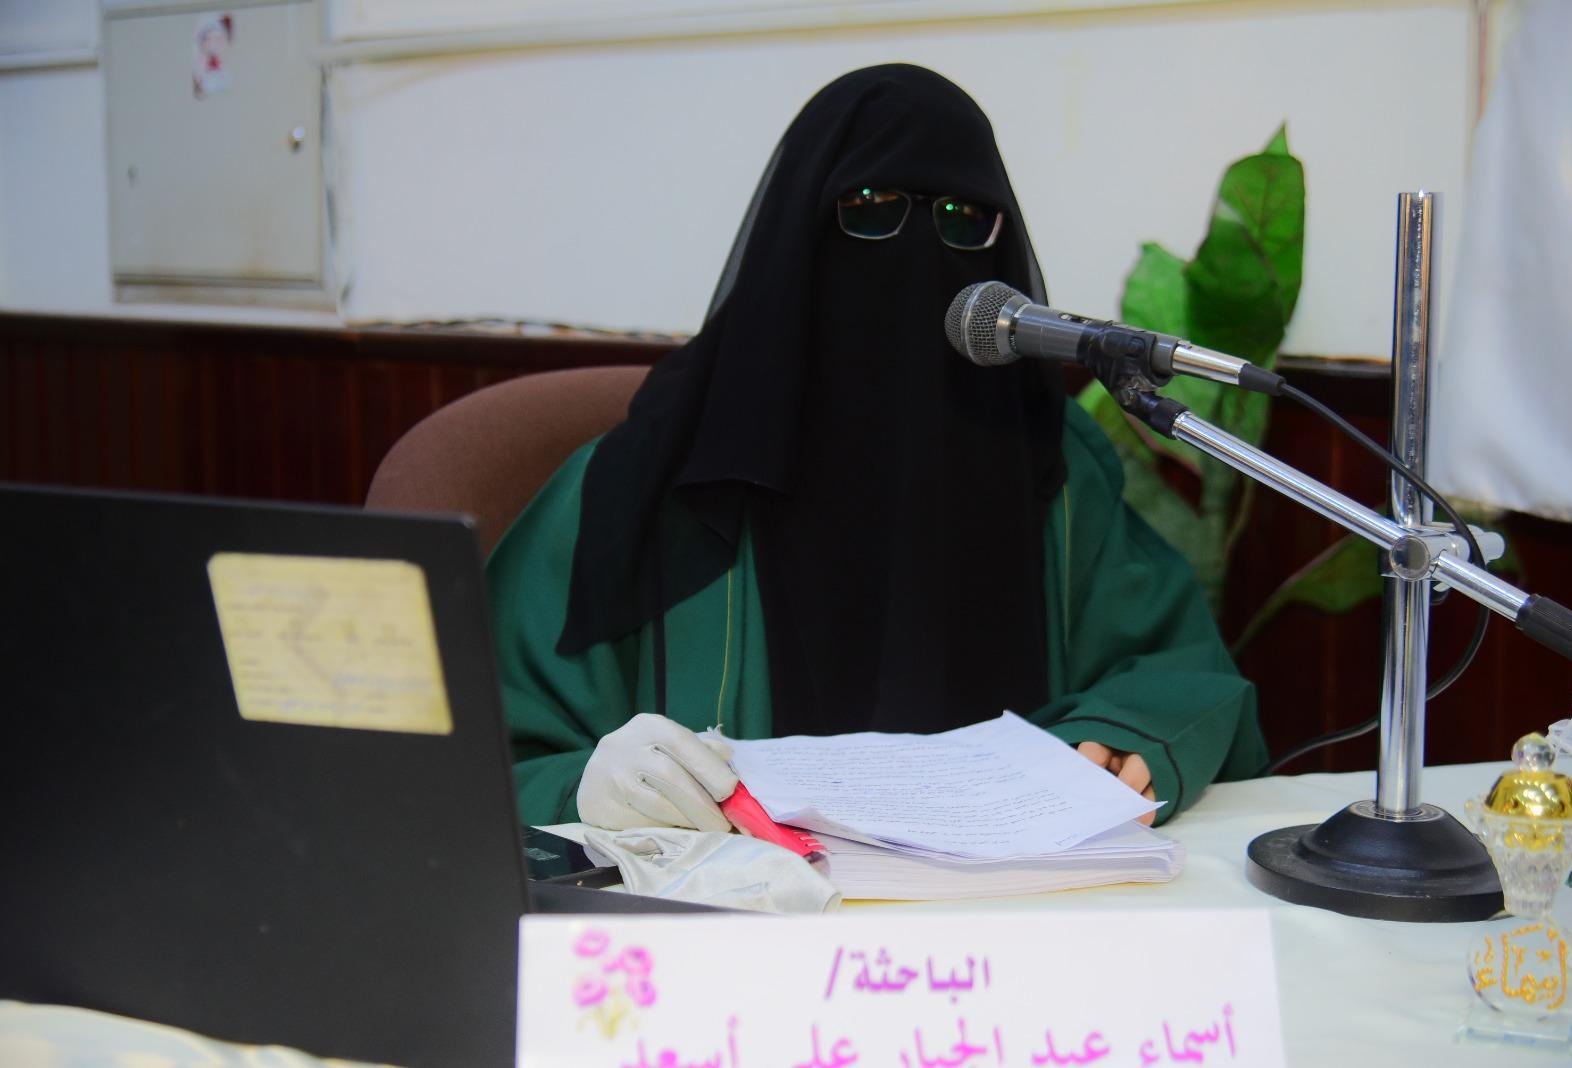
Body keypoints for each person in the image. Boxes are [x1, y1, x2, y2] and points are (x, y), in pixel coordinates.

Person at [487, 64, 1266, 835]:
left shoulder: (1049, 469)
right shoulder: (656, 477)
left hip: (1021, 896)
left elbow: (1179, 674)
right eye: (869, 208)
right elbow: (474, 747)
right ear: (798, 231)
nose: (919, 251)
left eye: (963, 218)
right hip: (737, 902)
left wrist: (1126, 735)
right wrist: (584, 788)